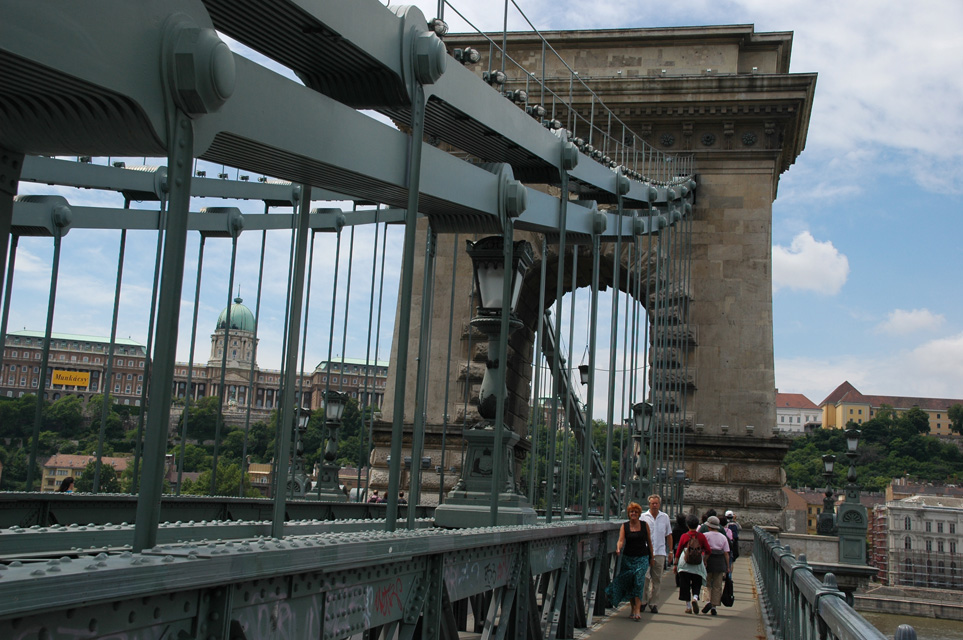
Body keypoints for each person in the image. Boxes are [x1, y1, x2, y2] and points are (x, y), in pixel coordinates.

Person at [604, 502, 653, 621]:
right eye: (631, 512)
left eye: (636, 512)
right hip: (628, 558)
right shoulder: (624, 526)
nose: (633, 514)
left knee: (639, 581)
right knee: (630, 583)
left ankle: (637, 609)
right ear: (628, 514)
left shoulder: (644, 525)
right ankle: (633, 608)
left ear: (639, 513)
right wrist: (618, 548)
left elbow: (649, 542)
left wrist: (652, 557)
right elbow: (621, 540)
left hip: (642, 557)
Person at [640, 494, 673, 614]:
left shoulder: (665, 517)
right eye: (652, 503)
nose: (654, 505)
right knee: (645, 578)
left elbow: (669, 534)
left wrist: (670, 551)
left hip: (660, 552)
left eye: (656, 503)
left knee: (657, 579)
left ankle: (653, 603)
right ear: (649, 504)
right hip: (646, 552)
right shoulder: (643, 517)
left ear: (659, 504)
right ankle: (643, 601)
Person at [673, 514, 709, 614]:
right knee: (697, 582)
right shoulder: (701, 536)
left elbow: (679, 549)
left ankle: (688, 606)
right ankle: (695, 597)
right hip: (697, 563)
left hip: (685, 563)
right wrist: (704, 560)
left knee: (685, 584)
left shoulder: (684, 536)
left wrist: (675, 564)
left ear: (687, 525)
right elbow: (708, 550)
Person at [701, 515, 731, 615]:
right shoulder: (723, 537)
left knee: (707, 583)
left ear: (709, 526)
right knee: (717, 585)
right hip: (720, 561)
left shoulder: (705, 535)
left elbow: (702, 549)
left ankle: (708, 601)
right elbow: (726, 552)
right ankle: (714, 606)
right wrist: (728, 566)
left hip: (708, 560)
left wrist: (703, 560)